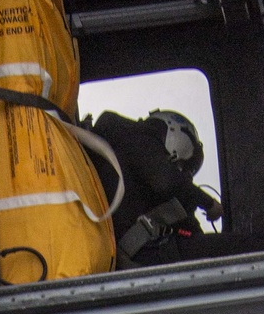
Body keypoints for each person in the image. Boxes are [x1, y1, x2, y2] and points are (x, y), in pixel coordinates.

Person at [87, 109, 222, 266]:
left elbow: (188, 227)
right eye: (181, 166)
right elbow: (166, 181)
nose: (182, 175)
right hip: (147, 252)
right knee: (243, 246)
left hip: (143, 254)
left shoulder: (137, 169)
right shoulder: (134, 137)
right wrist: (208, 203)